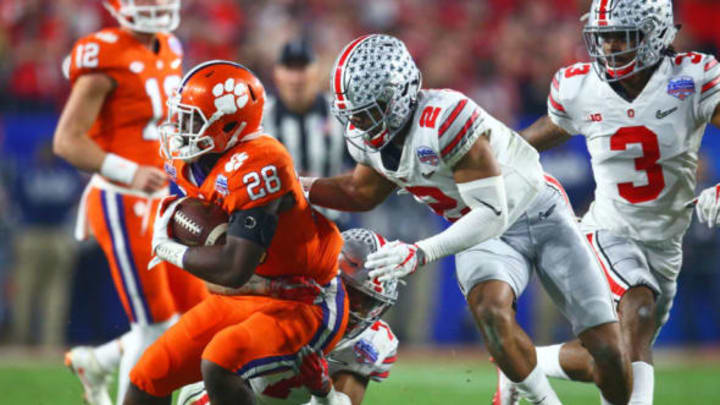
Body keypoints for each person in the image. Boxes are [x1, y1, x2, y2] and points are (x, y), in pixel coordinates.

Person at [301, 34, 632, 405]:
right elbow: (359, 192)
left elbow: (493, 211)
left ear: (401, 92)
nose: (360, 123)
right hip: (481, 233)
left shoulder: (445, 118)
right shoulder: (370, 138)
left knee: (609, 350)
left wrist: (420, 252)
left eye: (369, 110)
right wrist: (293, 187)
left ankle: (523, 371)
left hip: (536, 213)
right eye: (354, 113)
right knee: (490, 309)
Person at [512, 0, 720, 404]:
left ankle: (523, 364)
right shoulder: (580, 87)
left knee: (617, 355)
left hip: (664, 246)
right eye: (604, 37)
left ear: (656, 34)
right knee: (637, 310)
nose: (609, 47)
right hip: (607, 230)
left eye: (622, 36)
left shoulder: (692, 79)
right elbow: (527, 141)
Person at [123, 60, 349, 405]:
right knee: (148, 375)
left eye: (193, 119)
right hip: (246, 293)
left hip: (304, 300)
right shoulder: (193, 160)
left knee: (219, 362)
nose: (182, 128)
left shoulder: (262, 162)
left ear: (229, 123)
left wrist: (167, 247)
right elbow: (224, 275)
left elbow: (233, 267)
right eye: (181, 117)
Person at [52, 1, 208, 404]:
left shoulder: (170, 46)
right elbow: (67, 141)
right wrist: (129, 171)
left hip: (164, 198)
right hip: (122, 200)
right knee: (155, 322)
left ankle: (99, 361)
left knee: (197, 316)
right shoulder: (103, 52)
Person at [176, 227, 400, 405]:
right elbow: (216, 283)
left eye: (365, 304)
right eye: (349, 294)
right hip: (230, 391)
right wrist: (267, 287)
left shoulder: (370, 341)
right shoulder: (293, 289)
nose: (353, 311)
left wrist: (324, 392)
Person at [263, 38, 351, 228]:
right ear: (277, 73)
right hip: (275, 227)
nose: (296, 78)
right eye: (290, 68)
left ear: (316, 72)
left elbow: (360, 167)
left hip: (331, 223)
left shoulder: (341, 113)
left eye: (302, 68)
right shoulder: (261, 117)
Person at [10, 141, 84, 348]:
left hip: (31, 235)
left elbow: (14, 205)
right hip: (59, 237)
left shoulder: (27, 175)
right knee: (56, 294)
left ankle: (20, 342)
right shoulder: (68, 177)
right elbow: (76, 205)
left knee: (25, 291)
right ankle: (51, 343)